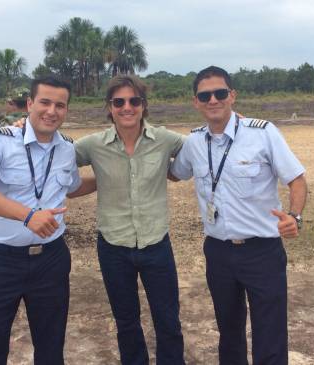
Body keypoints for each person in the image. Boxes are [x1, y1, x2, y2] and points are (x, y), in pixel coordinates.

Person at [170, 66, 308, 365]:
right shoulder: (193, 142)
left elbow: (296, 178)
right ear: (196, 102)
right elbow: (173, 172)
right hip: (218, 252)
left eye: (220, 93)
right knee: (228, 332)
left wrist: (293, 216)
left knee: (269, 332)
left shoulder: (262, 133)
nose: (213, 100)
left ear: (232, 95)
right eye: (205, 95)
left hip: (262, 252)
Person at [0, 76, 82, 365]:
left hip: (52, 261)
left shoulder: (68, 148)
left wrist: (115, 179)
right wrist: (28, 216)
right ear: (30, 104)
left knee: (51, 347)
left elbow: (74, 187)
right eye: (44, 102)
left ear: (66, 110)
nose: (51, 111)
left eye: (60, 105)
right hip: (1, 262)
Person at [72, 75, 186, 365]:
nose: (127, 107)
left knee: (168, 320)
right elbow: (55, 156)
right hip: (113, 247)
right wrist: (24, 126)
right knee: (126, 321)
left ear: (143, 105)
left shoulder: (165, 140)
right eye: (119, 101)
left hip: (156, 243)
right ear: (109, 107)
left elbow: (201, 149)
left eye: (134, 101)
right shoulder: (93, 145)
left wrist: (172, 171)